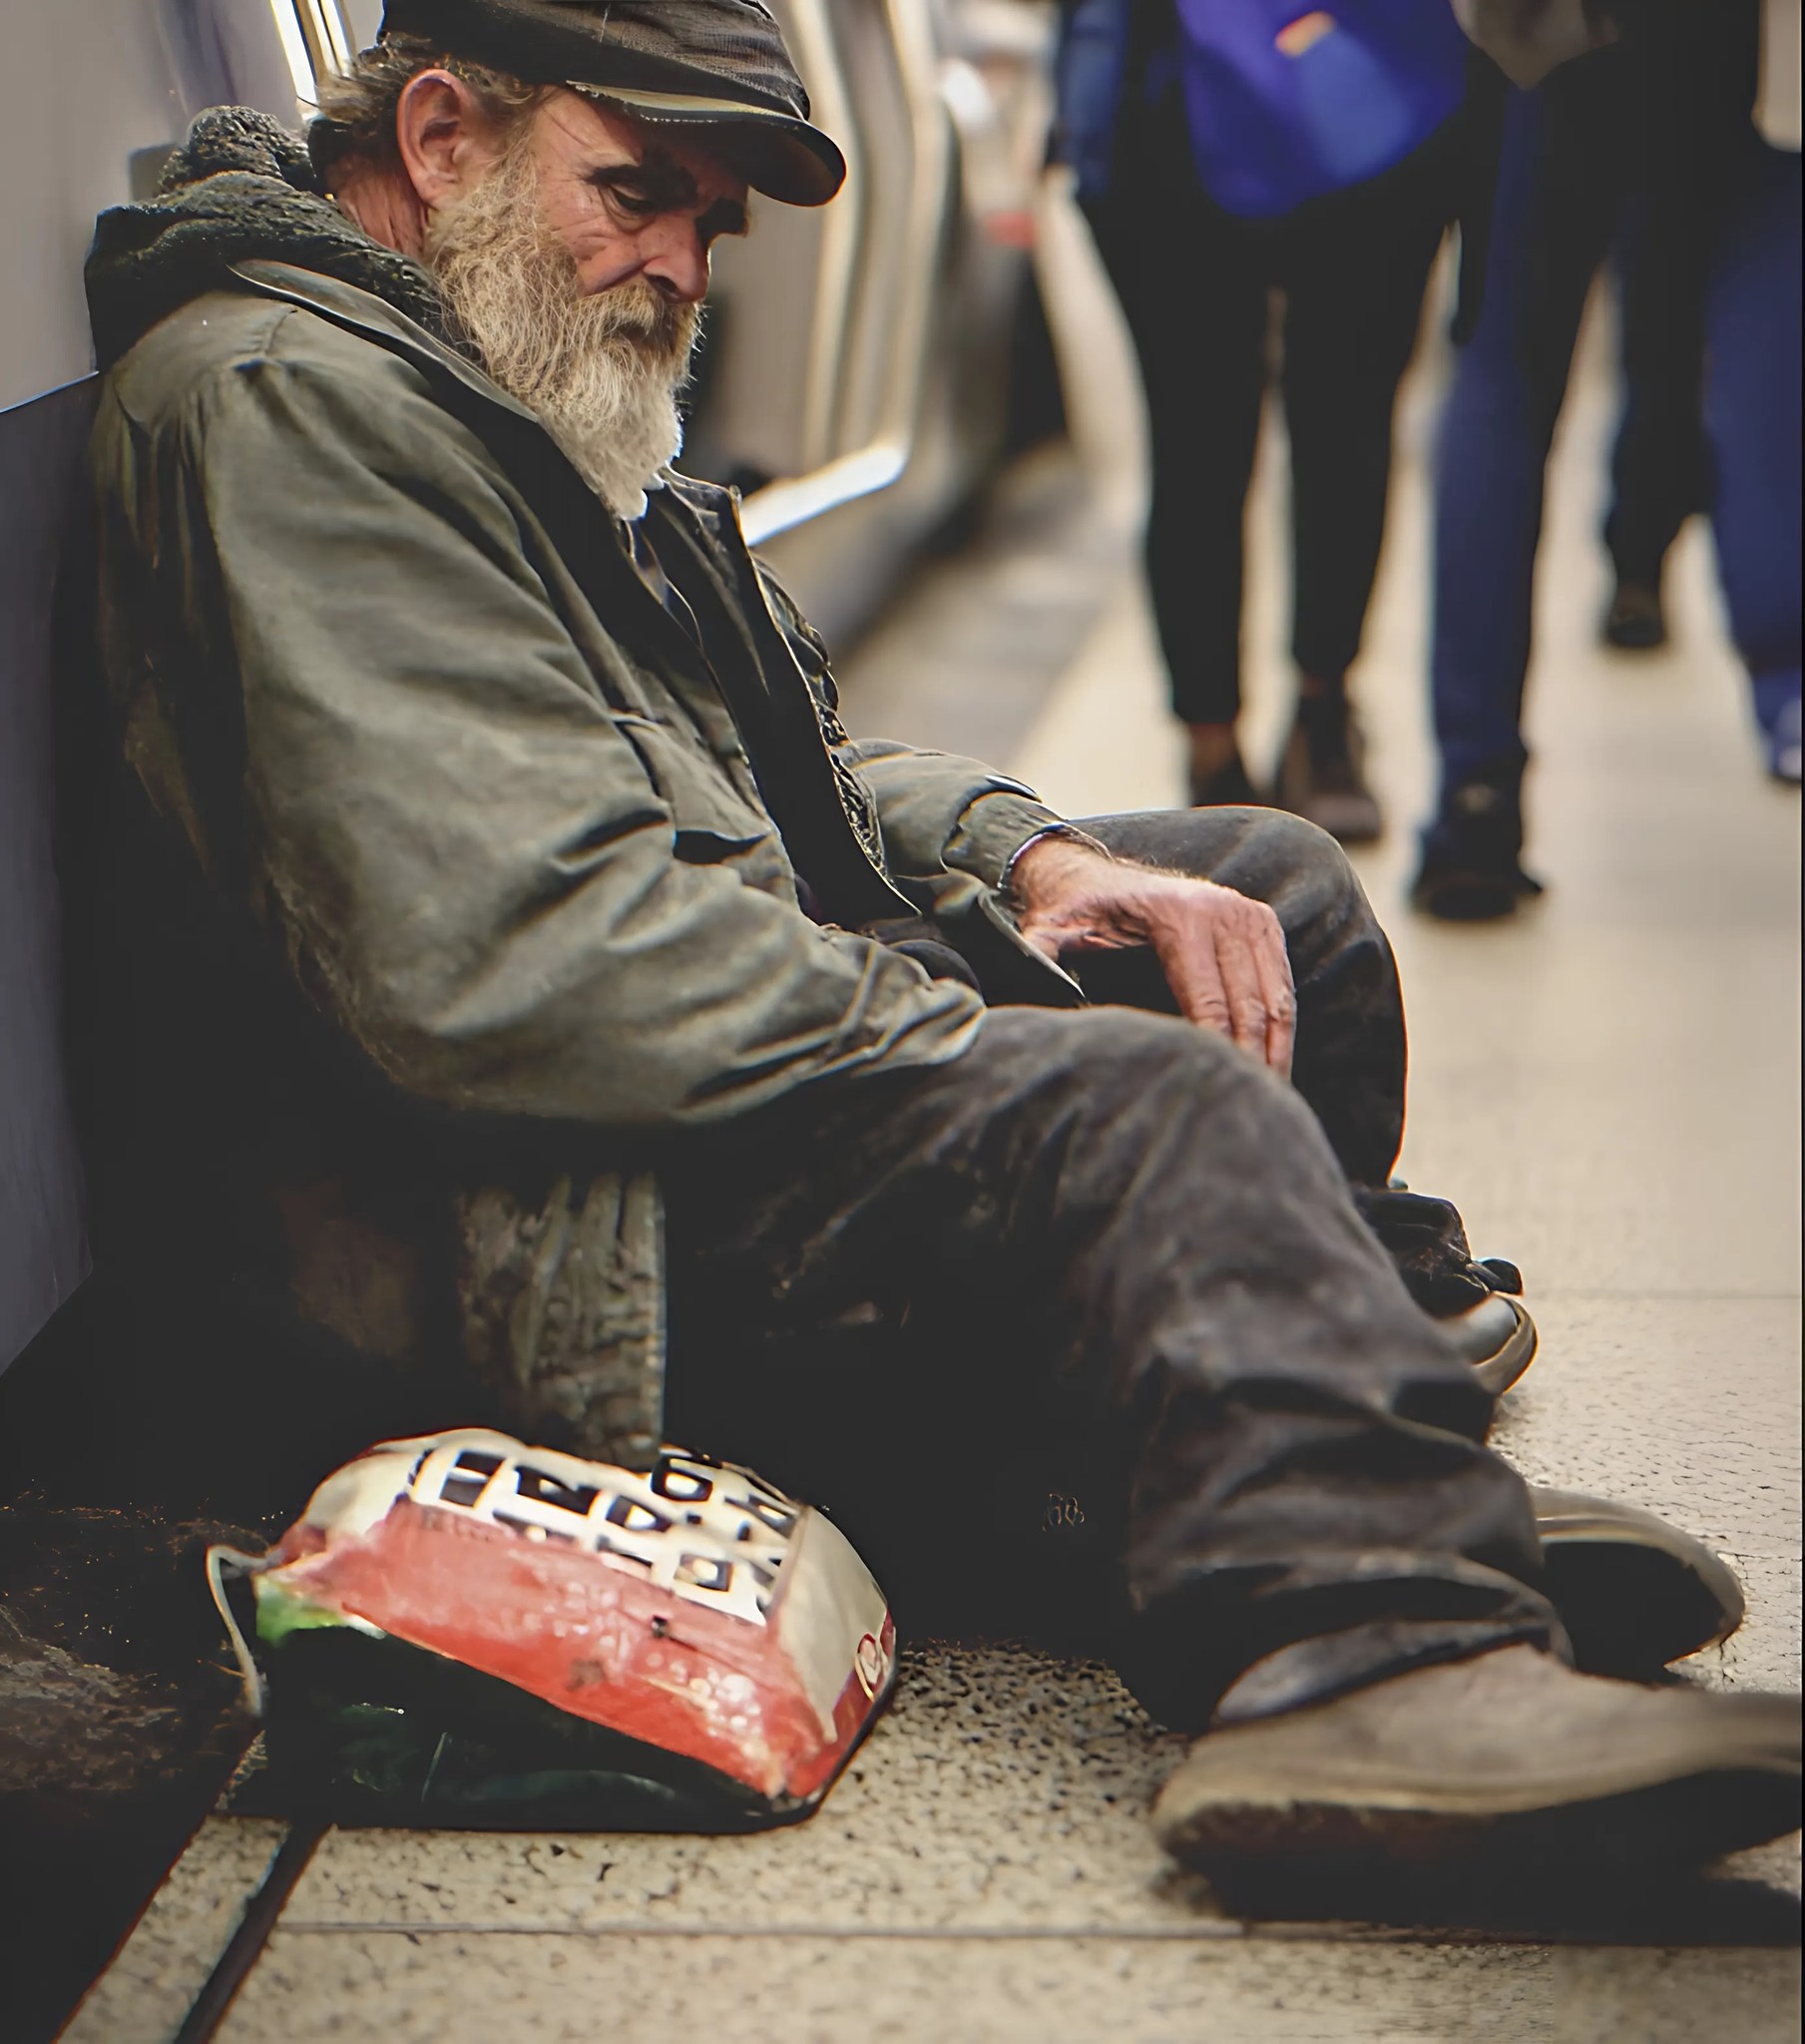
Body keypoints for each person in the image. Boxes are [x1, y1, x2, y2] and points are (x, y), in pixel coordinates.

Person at [73, 0, 1798, 1903]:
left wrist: (1025, 857)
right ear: (440, 132)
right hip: (519, 1227)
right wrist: (959, 1023)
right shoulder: (289, 407)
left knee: (1264, 897)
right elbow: (506, 957)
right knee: (1131, 1107)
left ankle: (1289, 1446)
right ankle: (1367, 1652)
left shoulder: (475, 353)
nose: (675, 268)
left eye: (708, 227)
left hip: (649, 1066)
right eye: (637, 194)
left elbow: (722, 760)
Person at [1054, 0, 1486, 841]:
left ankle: (1321, 711)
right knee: (1195, 440)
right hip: (1162, 89)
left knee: (1347, 422)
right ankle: (1212, 741)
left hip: (1376, 73)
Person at [1418, 0, 1800, 919]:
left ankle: (1475, 793)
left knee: (1504, 379)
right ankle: (1785, 680)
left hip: (1542, 46)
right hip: (1756, 54)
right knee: (1764, 367)